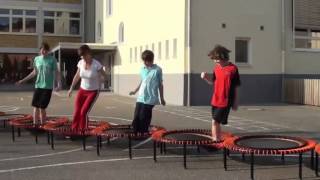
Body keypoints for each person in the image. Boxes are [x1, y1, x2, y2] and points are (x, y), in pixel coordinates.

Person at [201, 45, 241, 141]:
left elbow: (236, 86)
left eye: (216, 59)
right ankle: (217, 139)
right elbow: (213, 82)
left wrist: (235, 102)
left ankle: (215, 141)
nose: (215, 61)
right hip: (215, 99)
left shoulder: (233, 69)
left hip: (226, 101)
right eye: (214, 59)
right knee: (215, 122)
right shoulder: (216, 68)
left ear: (223, 56)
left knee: (214, 121)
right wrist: (206, 77)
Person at [17, 42, 61, 124]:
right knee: (36, 106)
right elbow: (34, 72)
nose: (44, 51)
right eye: (42, 50)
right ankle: (35, 124)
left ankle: (42, 125)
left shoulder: (52, 60)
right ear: (40, 50)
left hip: (47, 87)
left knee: (42, 107)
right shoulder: (37, 59)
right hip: (38, 86)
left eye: (45, 50)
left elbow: (56, 72)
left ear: (48, 51)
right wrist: (23, 80)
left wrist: (59, 84)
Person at [68, 45, 108, 132]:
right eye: (81, 56)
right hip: (82, 90)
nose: (83, 58)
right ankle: (74, 130)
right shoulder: (81, 63)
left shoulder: (96, 64)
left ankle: (83, 130)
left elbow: (105, 76)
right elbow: (77, 76)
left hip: (93, 91)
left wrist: (102, 80)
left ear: (89, 53)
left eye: (84, 56)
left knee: (84, 112)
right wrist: (71, 88)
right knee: (77, 111)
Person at [129, 50, 165, 133]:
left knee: (144, 116)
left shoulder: (157, 70)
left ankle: (143, 132)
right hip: (141, 97)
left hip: (150, 98)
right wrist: (135, 91)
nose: (144, 62)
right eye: (143, 60)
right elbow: (142, 81)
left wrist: (162, 98)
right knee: (137, 115)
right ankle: (135, 132)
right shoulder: (143, 69)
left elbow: (160, 84)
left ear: (151, 60)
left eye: (146, 61)